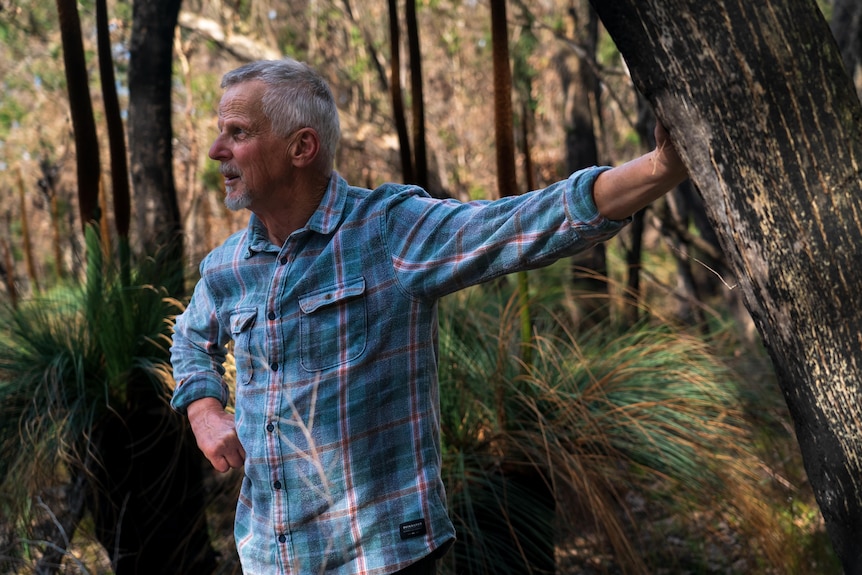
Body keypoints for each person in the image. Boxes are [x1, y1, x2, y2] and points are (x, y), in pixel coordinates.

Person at [170, 58, 687, 575]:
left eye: (237, 134)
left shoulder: (387, 231)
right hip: (269, 558)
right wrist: (204, 411)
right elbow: (191, 340)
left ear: (301, 148)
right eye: (221, 133)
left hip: (379, 559)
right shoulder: (227, 266)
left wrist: (659, 169)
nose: (218, 151)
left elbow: (520, 224)